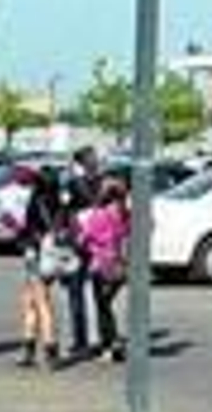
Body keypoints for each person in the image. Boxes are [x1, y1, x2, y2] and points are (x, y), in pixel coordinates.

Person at [76, 179, 132, 362]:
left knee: (103, 308)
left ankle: (109, 346)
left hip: (100, 266)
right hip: (120, 266)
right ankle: (112, 343)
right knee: (107, 306)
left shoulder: (98, 215)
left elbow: (83, 239)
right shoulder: (124, 213)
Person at [14, 166, 64, 370]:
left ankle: (51, 350)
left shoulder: (37, 201)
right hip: (52, 257)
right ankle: (28, 347)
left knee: (41, 301)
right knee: (29, 300)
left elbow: (29, 230)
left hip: (38, 255)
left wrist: (18, 231)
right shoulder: (58, 201)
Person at [59, 146, 102, 358]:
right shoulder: (104, 182)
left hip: (80, 241)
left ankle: (81, 341)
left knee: (75, 291)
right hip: (101, 242)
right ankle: (103, 339)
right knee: (99, 292)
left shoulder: (73, 184)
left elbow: (64, 209)